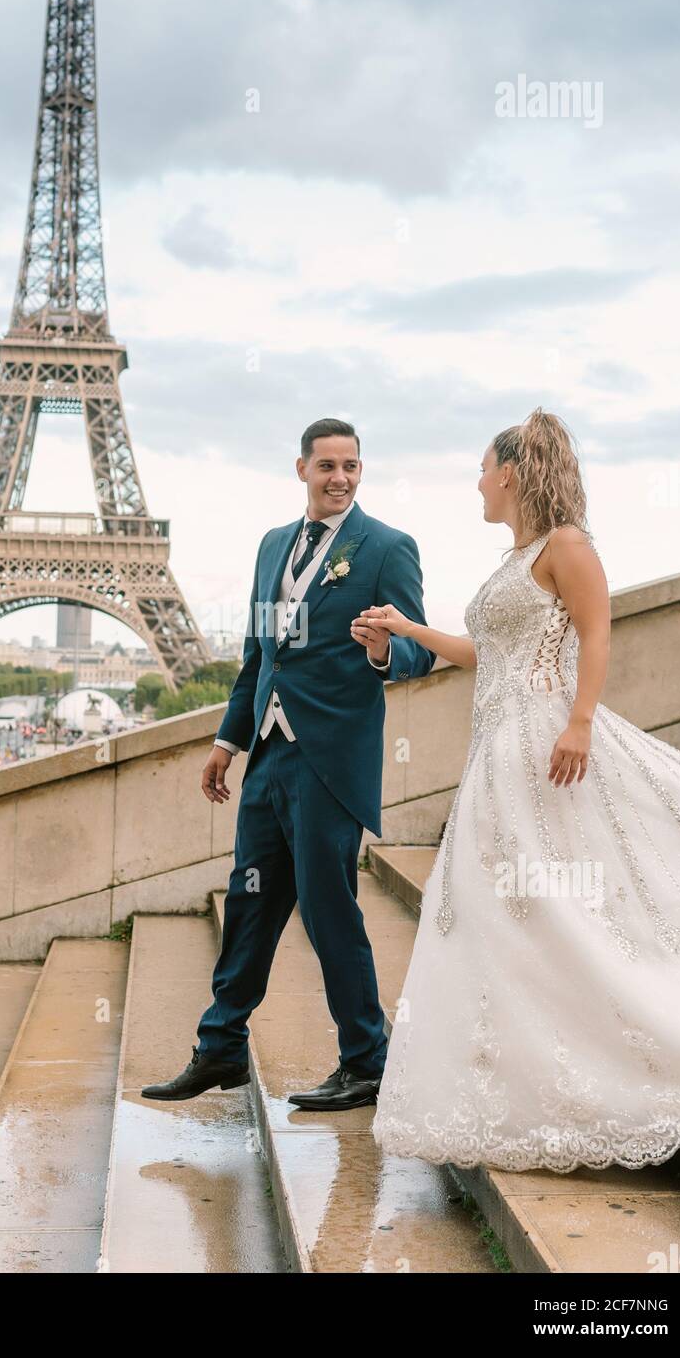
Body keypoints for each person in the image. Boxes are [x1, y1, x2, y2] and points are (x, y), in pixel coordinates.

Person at [353, 408, 680, 1172]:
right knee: (505, 909)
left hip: (546, 741)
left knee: (555, 902)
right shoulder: (513, 560)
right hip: (497, 753)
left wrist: (580, 721)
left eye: (484, 469)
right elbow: (482, 653)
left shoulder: (567, 546)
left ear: (511, 472)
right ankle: (519, 1069)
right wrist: (407, 630)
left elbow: (598, 632)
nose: (478, 483)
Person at [141, 417, 436, 1109]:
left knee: (329, 913)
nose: (340, 478)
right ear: (301, 468)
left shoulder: (388, 548)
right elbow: (259, 658)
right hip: (269, 758)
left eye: (352, 467)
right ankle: (220, 1047)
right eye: (327, 466)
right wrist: (227, 741)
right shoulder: (273, 546)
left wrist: (379, 650)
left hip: (329, 764)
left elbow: (417, 650)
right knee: (247, 903)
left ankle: (366, 1059)